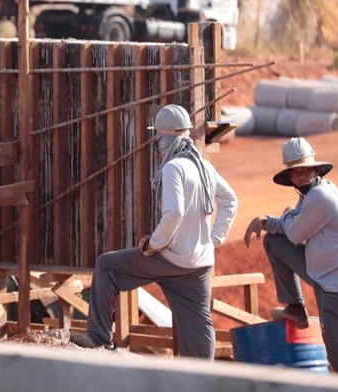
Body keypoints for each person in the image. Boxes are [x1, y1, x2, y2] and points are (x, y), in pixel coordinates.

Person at [70, 104, 237, 358]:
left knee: (106, 266)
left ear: (165, 137)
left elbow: (174, 213)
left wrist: (154, 244)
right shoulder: (204, 166)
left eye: (158, 137)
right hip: (200, 263)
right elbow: (230, 200)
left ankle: (98, 337)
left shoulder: (173, 168)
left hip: (170, 258)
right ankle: (203, 373)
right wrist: (213, 240)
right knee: (200, 324)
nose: (158, 144)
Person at [243, 137, 338, 377]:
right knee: (273, 240)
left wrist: (286, 216)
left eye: (304, 170)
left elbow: (295, 233)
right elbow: (291, 227)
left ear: (315, 169)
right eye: (295, 172)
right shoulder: (313, 194)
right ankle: (296, 307)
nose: (300, 176)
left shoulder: (320, 197)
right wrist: (268, 221)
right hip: (325, 274)